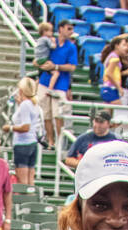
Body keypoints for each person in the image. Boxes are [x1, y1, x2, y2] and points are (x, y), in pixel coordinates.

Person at [37, 19, 77, 149]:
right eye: (68, 28)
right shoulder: (50, 42)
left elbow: (72, 67)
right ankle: (50, 141)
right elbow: (37, 58)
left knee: (58, 115)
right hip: (45, 81)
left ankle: (60, 142)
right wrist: (41, 65)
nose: (71, 32)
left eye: (72, 29)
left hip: (60, 85)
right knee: (46, 114)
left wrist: (56, 66)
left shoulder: (71, 47)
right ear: (61, 29)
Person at [9, 75, 42, 186]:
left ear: (21, 90)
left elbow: (25, 127)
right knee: (30, 182)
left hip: (22, 143)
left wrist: (10, 128)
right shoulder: (34, 104)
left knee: (22, 183)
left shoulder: (25, 105)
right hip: (32, 143)